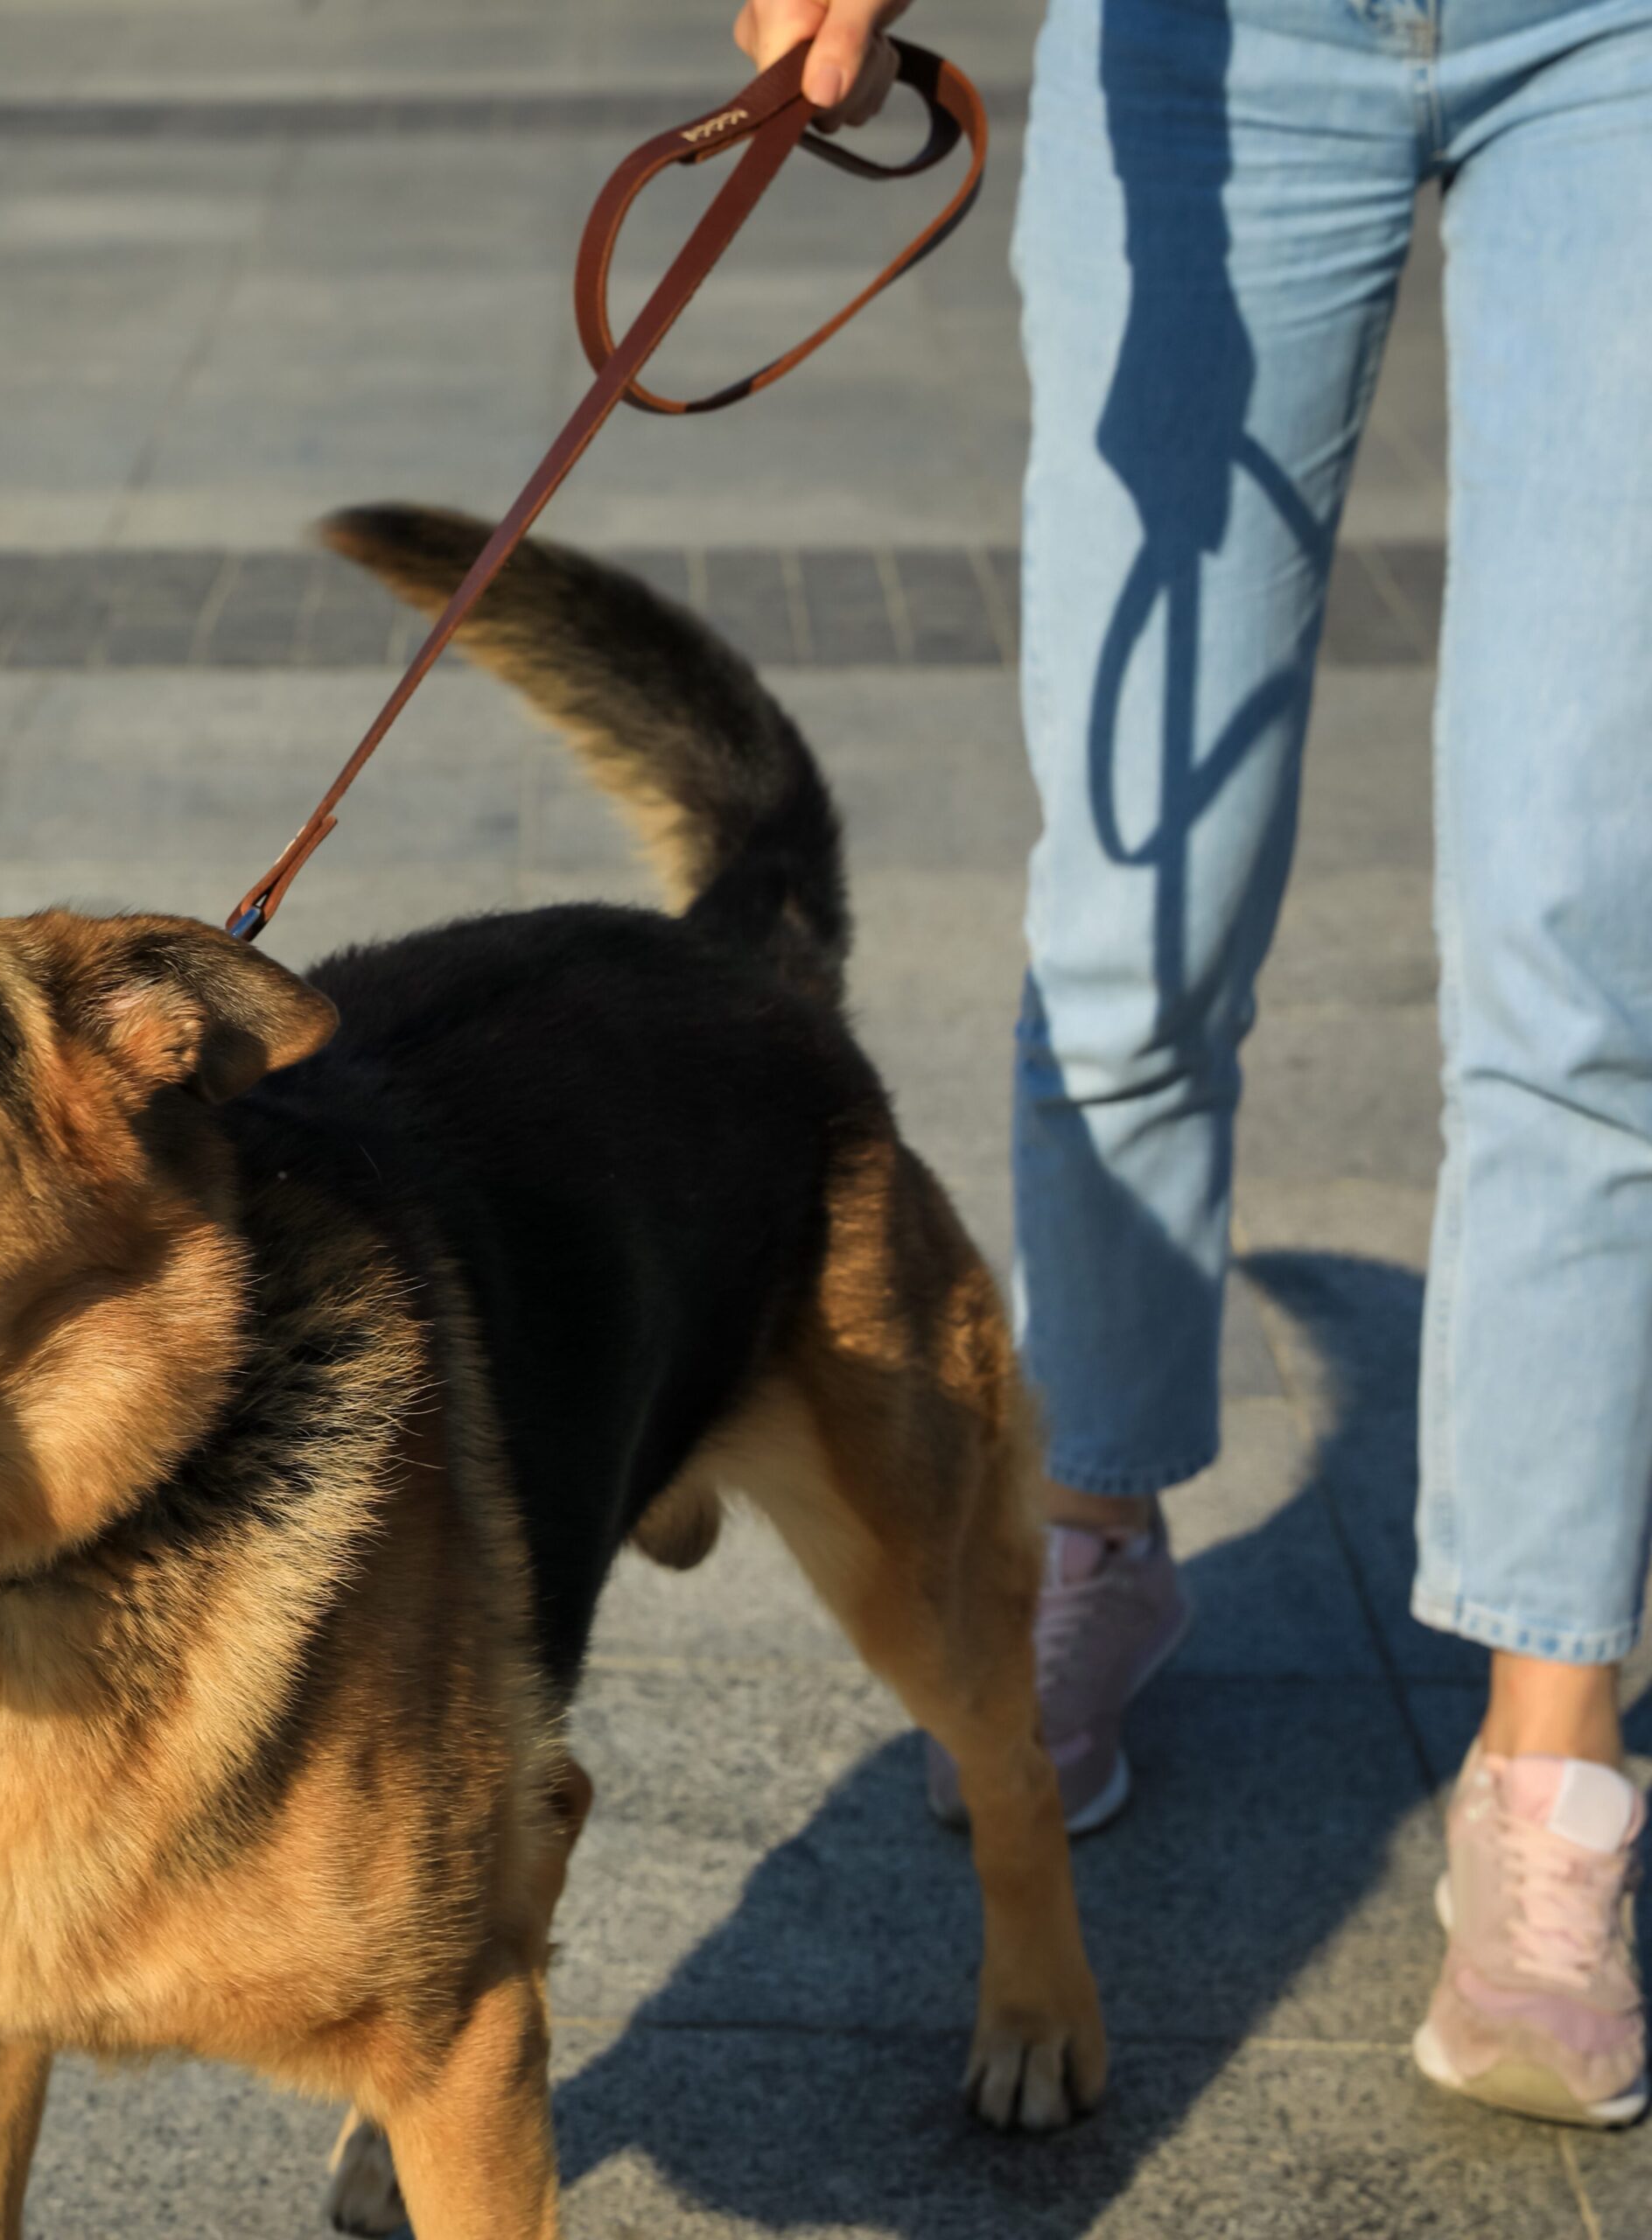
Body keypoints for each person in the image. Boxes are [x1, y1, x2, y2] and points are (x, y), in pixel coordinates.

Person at [733, 0, 1651, 2127]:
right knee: (1128, 932)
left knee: (1580, 942)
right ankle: (1092, 1531)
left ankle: (1547, 1768)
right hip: (1209, 47)